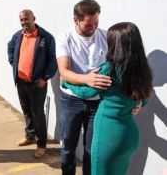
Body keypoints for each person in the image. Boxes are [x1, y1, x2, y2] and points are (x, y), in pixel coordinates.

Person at [61, 22, 153, 175]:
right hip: (129, 135)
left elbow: (86, 93)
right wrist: (139, 103)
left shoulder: (109, 69)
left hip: (109, 134)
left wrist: (66, 82)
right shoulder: (142, 69)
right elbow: (145, 98)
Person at [56, 0, 111, 175]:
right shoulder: (65, 38)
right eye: (88, 24)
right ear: (75, 20)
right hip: (71, 99)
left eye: (96, 23)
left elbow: (118, 69)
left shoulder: (106, 36)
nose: (93, 28)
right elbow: (64, 72)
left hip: (97, 103)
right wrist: (87, 79)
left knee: (91, 150)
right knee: (68, 146)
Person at [7, 9, 57, 158]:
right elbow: (10, 49)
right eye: (22, 20)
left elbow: (52, 62)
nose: (24, 22)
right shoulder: (17, 36)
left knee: (37, 113)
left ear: (33, 18)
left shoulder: (46, 38)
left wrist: (45, 78)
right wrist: (14, 64)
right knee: (27, 110)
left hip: (37, 83)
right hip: (21, 81)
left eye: (27, 19)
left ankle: (41, 144)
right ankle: (30, 136)